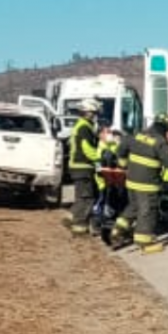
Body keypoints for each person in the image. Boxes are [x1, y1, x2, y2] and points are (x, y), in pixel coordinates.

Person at [112, 113, 168, 254]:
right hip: (147, 185)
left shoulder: (137, 135)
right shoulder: (159, 142)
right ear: (165, 129)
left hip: (131, 182)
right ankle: (145, 243)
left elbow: (122, 147)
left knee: (134, 207)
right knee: (148, 212)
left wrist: (123, 163)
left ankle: (118, 229)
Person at [67, 98, 102, 235]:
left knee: (82, 196)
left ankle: (74, 219)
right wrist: (100, 158)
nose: (95, 116)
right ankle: (79, 227)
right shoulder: (85, 127)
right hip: (82, 166)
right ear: (88, 112)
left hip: (78, 166)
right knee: (86, 197)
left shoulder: (80, 125)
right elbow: (87, 148)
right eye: (94, 113)